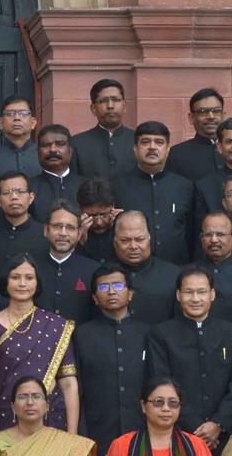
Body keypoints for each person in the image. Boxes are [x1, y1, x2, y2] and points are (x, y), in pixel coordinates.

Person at [146, 266, 232, 451]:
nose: (195, 299)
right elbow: (161, 382)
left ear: (212, 294)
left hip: (226, 434)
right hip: (179, 433)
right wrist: (197, 429)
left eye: (202, 292)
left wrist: (218, 423)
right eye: (188, 292)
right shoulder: (161, 334)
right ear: (178, 295)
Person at [0, 253, 79, 438]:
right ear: (5, 282)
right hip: (3, 420)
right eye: (15, 277)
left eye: (29, 278)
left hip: (50, 421)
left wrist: (72, 436)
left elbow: (68, 383)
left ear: (37, 283)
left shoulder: (56, 325)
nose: (22, 283)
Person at [74, 265, 149, 456]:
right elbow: (77, 387)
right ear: (95, 298)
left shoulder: (148, 333)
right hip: (98, 430)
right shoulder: (82, 335)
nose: (112, 291)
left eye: (117, 285)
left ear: (130, 293)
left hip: (143, 427)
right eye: (104, 287)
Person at [112, 120, 196, 265]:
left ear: (168, 149)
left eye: (159, 142)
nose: (152, 147)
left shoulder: (185, 186)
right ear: (135, 149)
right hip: (129, 271)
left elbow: (192, 232)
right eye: (145, 142)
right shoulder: (116, 186)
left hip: (176, 269)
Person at [167, 88, 232, 182]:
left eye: (216, 111)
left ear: (223, 115)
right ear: (191, 117)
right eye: (203, 112)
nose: (211, 117)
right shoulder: (177, 154)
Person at [35, 201, 100, 323]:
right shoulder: (31, 268)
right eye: (57, 226)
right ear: (46, 230)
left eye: (70, 228)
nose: (63, 233)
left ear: (79, 233)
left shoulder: (94, 271)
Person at [113, 211, 180, 324]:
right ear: (115, 242)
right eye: (125, 240)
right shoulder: (103, 275)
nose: (133, 246)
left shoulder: (173, 275)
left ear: (149, 239)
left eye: (139, 239)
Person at [196, 211, 232, 325]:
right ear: (202, 238)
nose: (213, 240)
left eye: (220, 234)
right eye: (208, 235)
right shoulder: (186, 274)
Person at [71, 77, 136, 180]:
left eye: (116, 100)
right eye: (103, 101)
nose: (110, 106)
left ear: (124, 106)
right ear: (93, 109)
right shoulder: (76, 143)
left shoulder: (138, 140)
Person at [0, 171, 47, 270]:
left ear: (31, 197)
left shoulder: (45, 233)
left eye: (20, 191)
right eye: (7, 193)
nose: (14, 197)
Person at [30, 125, 81, 222]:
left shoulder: (86, 186)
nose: (53, 149)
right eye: (46, 145)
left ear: (70, 150)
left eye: (60, 144)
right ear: (38, 152)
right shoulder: (28, 189)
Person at [0, 96, 41, 176]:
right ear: (0, 123)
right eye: (10, 114)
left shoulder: (43, 154)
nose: (17, 118)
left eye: (23, 113)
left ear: (33, 123)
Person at [76, 177, 120, 263]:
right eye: (92, 216)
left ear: (113, 206)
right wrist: (79, 242)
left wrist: (119, 228)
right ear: (80, 210)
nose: (99, 222)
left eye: (103, 215)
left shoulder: (123, 226)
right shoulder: (71, 231)